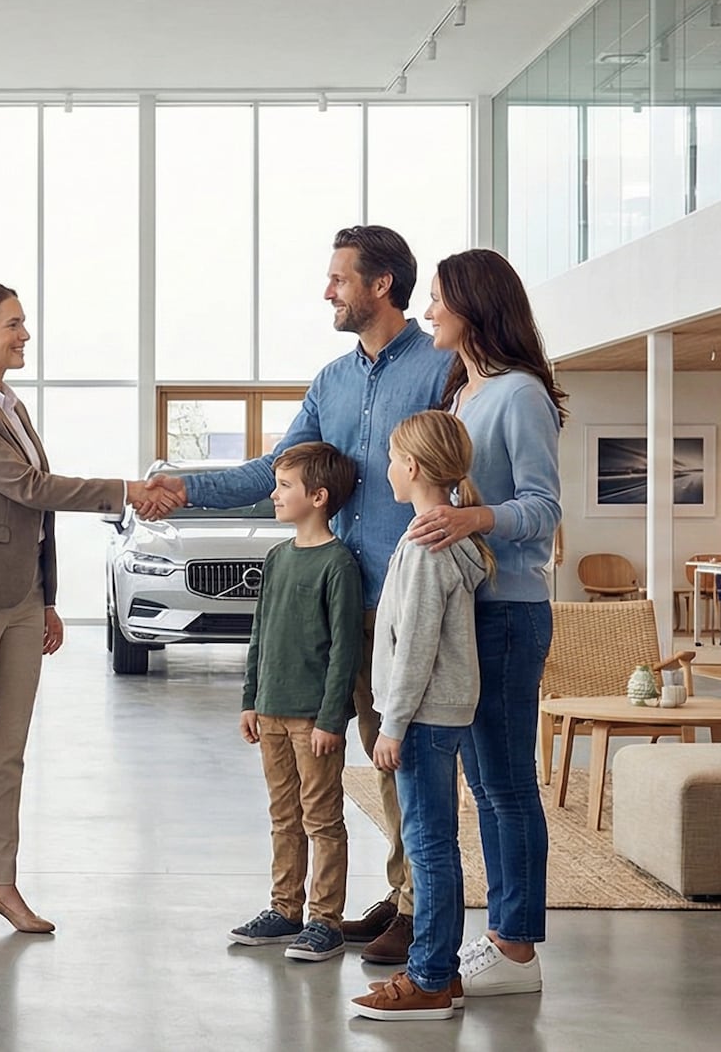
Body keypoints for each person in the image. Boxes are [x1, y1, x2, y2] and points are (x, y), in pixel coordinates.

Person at [177, 225, 455, 966]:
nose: (326, 290)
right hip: (342, 601)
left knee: (405, 759)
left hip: (405, 602)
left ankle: (416, 906)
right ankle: (395, 894)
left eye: (338, 278)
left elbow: (465, 473)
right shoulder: (330, 381)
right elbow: (275, 469)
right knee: (371, 748)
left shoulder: (441, 367)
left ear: (381, 285)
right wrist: (183, 487)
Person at [0, 281, 183, 942]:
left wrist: (48, 597)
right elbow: (29, 486)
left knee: (9, 752)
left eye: (23, 324)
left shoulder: (11, 404)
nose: (24, 335)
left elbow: (32, 514)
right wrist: (127, 491)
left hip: (21, 598)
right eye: (13, 324)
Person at [402, 248, 568, 996]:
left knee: (506, 784)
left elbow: (544, 509)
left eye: (438, 298)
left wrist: (470, 516)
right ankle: (503, 935)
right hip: (471, 615)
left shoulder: (520, 393)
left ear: (474, 303)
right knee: (485, 781)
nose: (428, 310)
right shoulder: (461, 394)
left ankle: (517, 949)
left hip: (510, 614)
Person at [349, 411, 493, 1022]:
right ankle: (443, 973)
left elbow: (416, 646)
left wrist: (394, 723)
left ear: (411, 467)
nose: (385, 469)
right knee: (432, 842)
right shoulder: (442, 540)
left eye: (390, 457)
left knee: (428, 845)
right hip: (436, 712)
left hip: (424, 716)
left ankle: (431, 976)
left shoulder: (427, 547)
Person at [226, 442, 365, 963]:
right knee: (283, 815)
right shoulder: (278, 557)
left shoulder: (338, 564)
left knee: (321, 819)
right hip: (271, 713)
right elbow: (259, 635)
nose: (275, 493)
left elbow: (345, 650)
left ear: (319, 496)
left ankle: (324, 920)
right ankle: (284, 910)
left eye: (285, 486)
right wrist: (250, 700)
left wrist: (332, 719)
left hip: (314, 722)